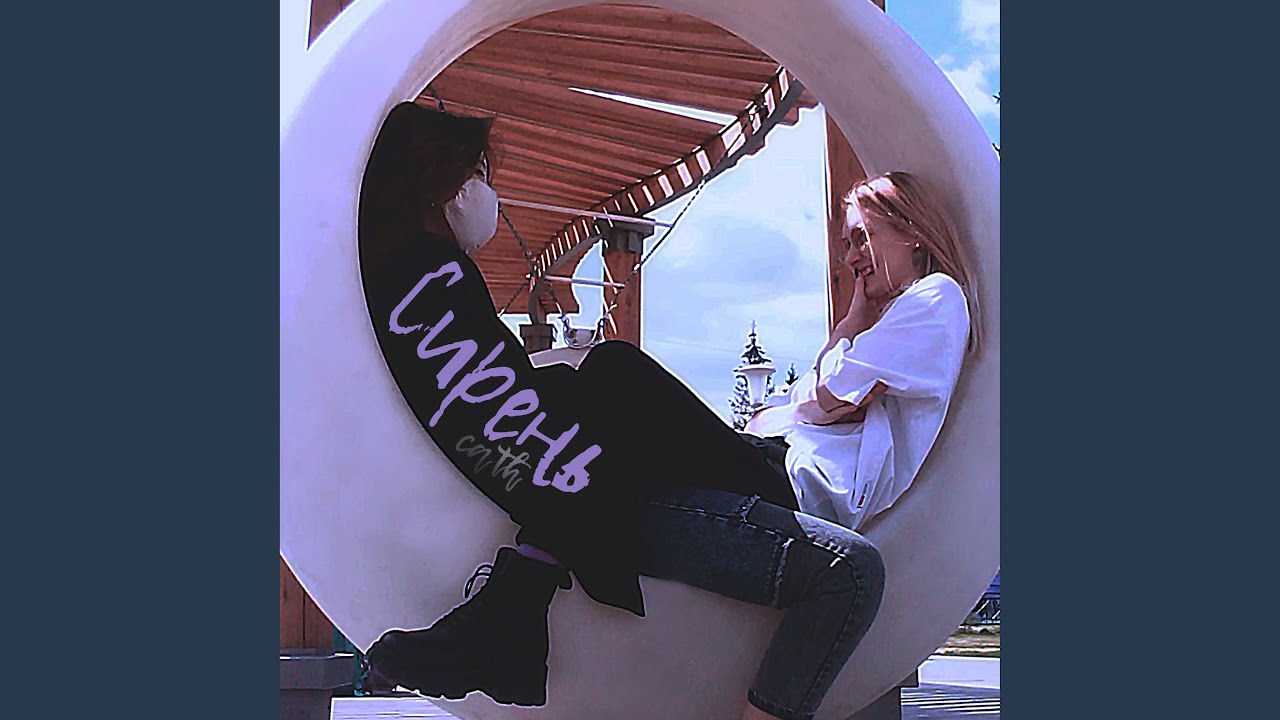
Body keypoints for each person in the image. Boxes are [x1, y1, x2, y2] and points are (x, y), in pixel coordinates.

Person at [359, 102, 979, 720]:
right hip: (776, 464)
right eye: (846, 242)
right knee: (605, 383)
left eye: (862, 237)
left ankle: (508, 611)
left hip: (793, 482)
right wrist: (845, 341)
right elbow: (824, 398)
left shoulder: (934, 298)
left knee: (613, 374)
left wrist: (841, 348)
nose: (851, 257)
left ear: (912, 231)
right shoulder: (895, 321)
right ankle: (510, 610)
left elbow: (826, 398)